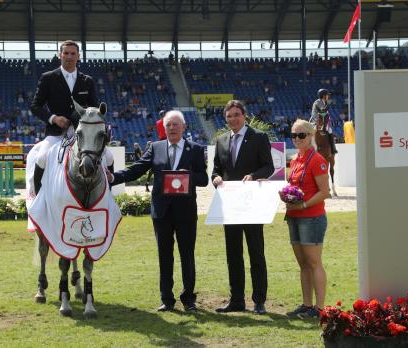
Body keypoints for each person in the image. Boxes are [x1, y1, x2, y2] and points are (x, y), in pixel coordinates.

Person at [107, 111, 208, 312]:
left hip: (186, 212)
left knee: (187, 255)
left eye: (176, 125)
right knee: (164, 255)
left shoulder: (195, 149)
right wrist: (113, 178)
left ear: (184, 127)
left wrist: (187, 175)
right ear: (164, 127)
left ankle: (189, 299)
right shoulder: (155, 147)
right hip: (162, 212)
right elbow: (137, 169)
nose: (172, 128)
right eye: (169, 125)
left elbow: (203, 179)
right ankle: (167, 299)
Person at [212, 100, 274, 315]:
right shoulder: (220, 140)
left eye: (236, 114)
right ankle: (237, 300)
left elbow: (269, 166)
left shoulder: (258, 137)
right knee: (233, 254)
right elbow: (216, 170)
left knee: (256, 253)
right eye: (229, 116)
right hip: (229, 206)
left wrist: (254, 175)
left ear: (244, 115)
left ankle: (259, 301)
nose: (233, 119)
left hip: (252, 204)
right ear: (225, 118)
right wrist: (216, 178)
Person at [27, 40, 98, 202]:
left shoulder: (87, 80)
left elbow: (94, 107)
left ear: (78, 56)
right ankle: (37, 200)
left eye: (73, 53)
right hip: (56, 133)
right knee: (42, 157)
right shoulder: (48, 78)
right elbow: (35, 106)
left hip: (81, 135)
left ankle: (106, 194)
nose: (69, 56)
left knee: (108, 156)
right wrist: (53, 118)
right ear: (60, 55)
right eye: (66, 53)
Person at [283, 119, 329, 319]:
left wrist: (302, 205)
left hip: (311, 217)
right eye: (294, 135)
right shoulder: (294, 160)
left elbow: (324, 192)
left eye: (301, 135)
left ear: (311, 137)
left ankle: (319, 308)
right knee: (303, 264)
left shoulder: (317, 159)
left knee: (314, 262)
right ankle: (306, 304)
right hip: (294, 216)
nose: (297, 139)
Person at [309, 89, 337, 154]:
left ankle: (333, 148)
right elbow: (319, 113)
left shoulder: (325, 102)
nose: (328, 97)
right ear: (323, 96)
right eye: (327, 95)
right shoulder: (317, 102)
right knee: (313, 131)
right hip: (315, 121)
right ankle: (310, 149)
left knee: (330, 130)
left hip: (323, 122)